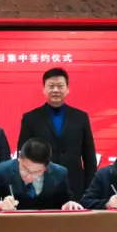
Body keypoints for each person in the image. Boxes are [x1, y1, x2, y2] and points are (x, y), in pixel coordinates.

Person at [16, 68, 97, 199]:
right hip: (40, 185)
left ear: (67, 89)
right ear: (43, 89)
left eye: (60, 86)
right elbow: (23, 154)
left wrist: (91, 189)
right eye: (51, 86)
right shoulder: (31, 118)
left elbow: (89, 156)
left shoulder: (81, 117)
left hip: (75, 185)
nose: (55, 90)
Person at [0, 138, 84, 212]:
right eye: (24, 169)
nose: (29, 176)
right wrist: (0, 205)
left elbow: (66, 201)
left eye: (36, 172)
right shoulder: (3, 170)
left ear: (47, 166)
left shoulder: (60, 173)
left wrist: (70, 204)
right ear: (19, 156)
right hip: (13, 228)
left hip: (49, 228)